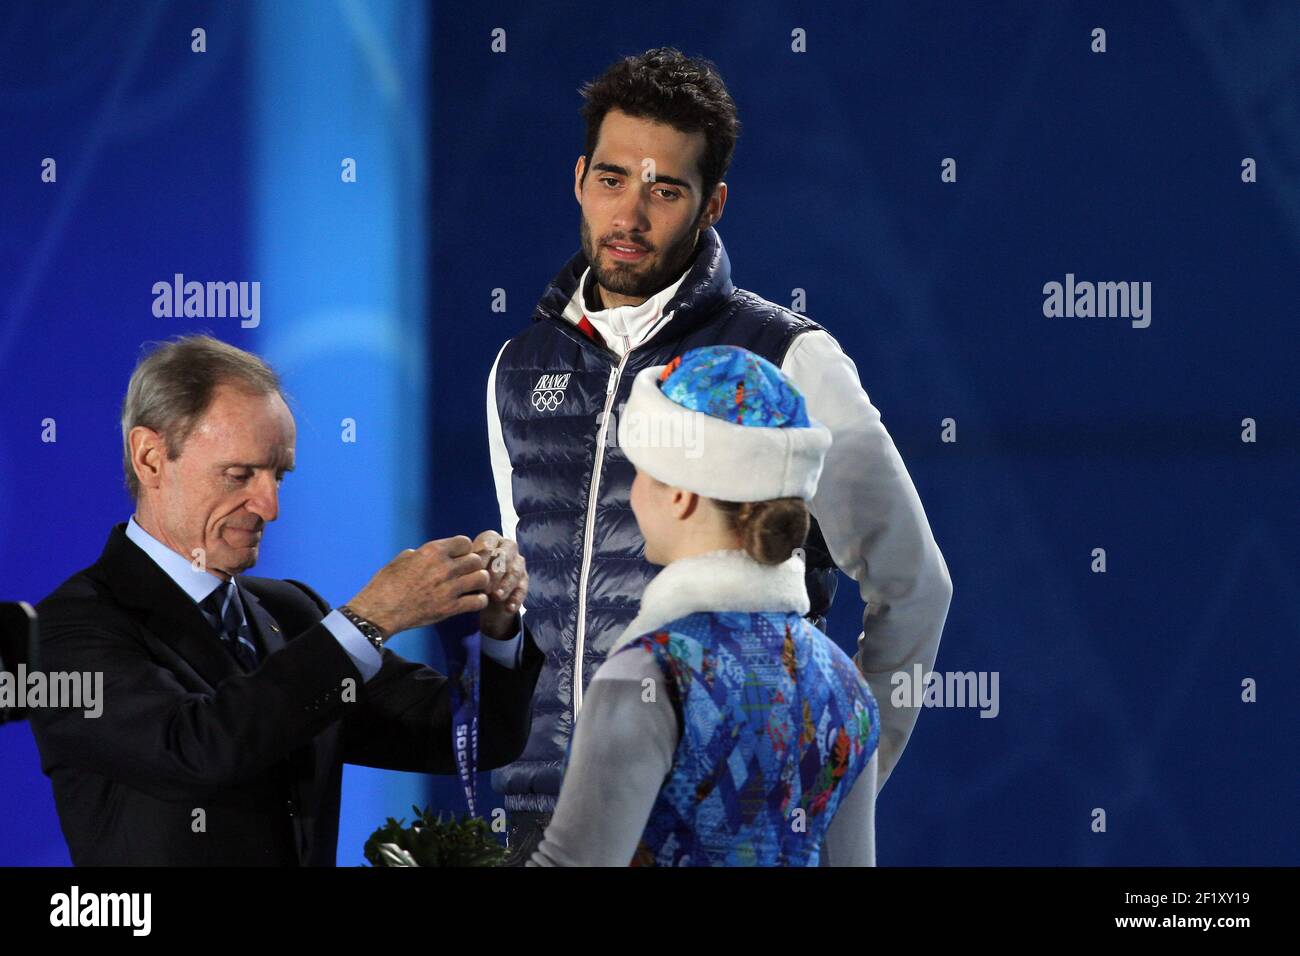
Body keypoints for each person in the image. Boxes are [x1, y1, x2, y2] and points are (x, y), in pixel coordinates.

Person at [487, 47, 951, 859]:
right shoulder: (517, 370)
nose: (630, 215)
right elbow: (532, 605)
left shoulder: (788, 359)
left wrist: (825, 785)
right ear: (578, 179)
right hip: (545, 821)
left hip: (709, 830)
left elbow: (914, 587)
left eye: (665, 189)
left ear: (713, 205)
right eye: (611, 179)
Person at [28, 335, 542, 866]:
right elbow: (197, 751)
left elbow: (473, 738)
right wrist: (370, 619)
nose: (269, 507)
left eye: (279, 475)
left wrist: (496, 626)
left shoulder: (290, 613)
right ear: (151, 458)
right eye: (239, 474)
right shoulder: (63, 631)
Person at [529, 346, 879, 866]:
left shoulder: (646, 676)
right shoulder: (847, 688)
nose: (632, 494)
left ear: (680, 497)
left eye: (642, 472)